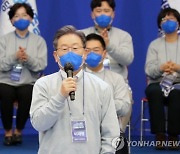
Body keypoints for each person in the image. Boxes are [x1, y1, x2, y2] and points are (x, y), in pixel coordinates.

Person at [30, 25, 120, 154]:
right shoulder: (43, 84)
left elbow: (111, 132)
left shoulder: (101, 87)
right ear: (56, 56)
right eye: (65, 49)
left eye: (75, 48)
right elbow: (38, 124)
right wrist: (60, 96)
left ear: (85, 54)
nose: (70, 53)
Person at [82, 0, 134, 137]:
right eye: (99, 11)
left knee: (126, 99)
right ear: (92, 14)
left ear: (113, 14)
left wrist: (109, 46)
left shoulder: (124, 36)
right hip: (87, 80)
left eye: (106, 11)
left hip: (116, 84)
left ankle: (117, 135)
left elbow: (128, 59)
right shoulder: (81, 35)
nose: (103, 14)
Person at [0, 3, 47, 146]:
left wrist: (28, 59)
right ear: (12, 20)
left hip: (28, 81)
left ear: (31, 19)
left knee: (27, 93)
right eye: (17, 16)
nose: (21, 19)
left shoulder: (39, 41)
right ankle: (8, 131)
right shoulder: (3, 40)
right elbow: (1, 65)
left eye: (24, 15)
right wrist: (15, 56)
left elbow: (41, 66)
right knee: (4, 92)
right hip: (6, 81)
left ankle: (18, 131)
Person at [84, 33, 131, 153]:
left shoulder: (116, 78)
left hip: (109, 128)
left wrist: (102, 104)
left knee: (120, 145)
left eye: (96, 50)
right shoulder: (75, 78)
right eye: (87, 50)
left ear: (104, 54)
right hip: (82, 129)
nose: (91, 54)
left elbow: (125, 107)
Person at [145, 8, 180, 150]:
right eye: (164, 19)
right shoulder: (154, 45)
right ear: (160, 24)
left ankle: (173, 135)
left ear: (178, 23)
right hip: (158, 82)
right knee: (154, 91)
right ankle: (159, 135)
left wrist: (177, 68)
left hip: (178, 83)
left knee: (176, 93)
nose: (168, 22)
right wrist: (161, 68)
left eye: (171, 19)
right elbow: (148, 70)